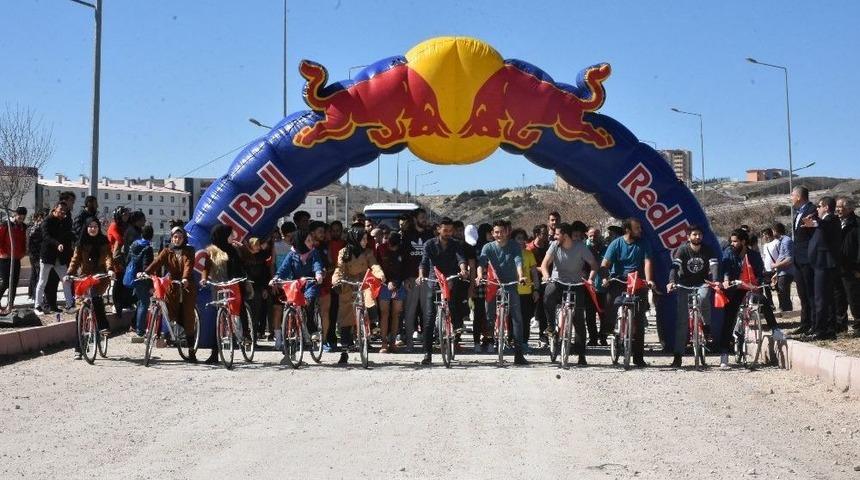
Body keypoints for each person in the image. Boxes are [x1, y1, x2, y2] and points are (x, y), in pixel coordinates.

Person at [721, 229, 783, 368]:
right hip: (735, 288)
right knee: (729, 318)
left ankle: (775, 330)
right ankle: (724, 354)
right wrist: (726, 280)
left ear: (743, 242)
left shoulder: (753, 255)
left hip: (750, 288)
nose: (732, 244)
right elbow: (725, 269)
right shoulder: (729, 253)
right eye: (731, 241)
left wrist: (763, 281)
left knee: (763, 301)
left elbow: (759, 271)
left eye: (735, 241)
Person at [541, 222, 599, 365]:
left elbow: (594, 265)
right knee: (548, 294)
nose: (555, 237)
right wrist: (546, 275)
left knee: (579, 319)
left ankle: (581, 355)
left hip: (576, 283)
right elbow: (544, 264)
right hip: (558, 281)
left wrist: (590, 279)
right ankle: (550, 325)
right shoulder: (554, 246)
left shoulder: (580, 247)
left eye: (557, 234)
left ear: (565, 236)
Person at [600, 218, 654, 368]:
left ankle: (638, 358)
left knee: (639, 319)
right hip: (619, 280)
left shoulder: (644, 243)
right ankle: (609, 326)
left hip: (637, 281)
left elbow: (648, 262)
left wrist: (649, 280)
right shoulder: (616, 244)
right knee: (611, 298)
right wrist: (605, 277)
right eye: (637, 228)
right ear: (628, 230)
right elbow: (605, 264)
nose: (640, 231)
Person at [141, 226, 198, 362]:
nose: (177, 239)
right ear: (171, 238)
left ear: (184, 238)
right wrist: (146, 272)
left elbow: (188, 265)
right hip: (172, 286)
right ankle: (162, 334)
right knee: (167, 309)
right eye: (174, 237)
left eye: (179, 237)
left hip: (186, 285)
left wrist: (184, 278)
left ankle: (191, 350)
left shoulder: (189, 250)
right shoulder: (167, 251)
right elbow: (157, 262)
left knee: (188, 316)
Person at [417, 217, 468, 365]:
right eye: (445, 230)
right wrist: (421, 276)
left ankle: (456, 329)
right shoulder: (429, 244)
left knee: (454, 306)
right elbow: (424, 262)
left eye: (450, 231)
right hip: (434, 281)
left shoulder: (456, 244)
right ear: (438, 229)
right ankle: (427, 354)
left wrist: (463, 270)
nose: (448, 233)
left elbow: (461, 259)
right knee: (429, 318)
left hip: (451, 279)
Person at [666, 224, 718, 368]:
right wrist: (671, 282)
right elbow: (675, 267)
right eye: (694, 234)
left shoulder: (708, 249)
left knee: (703, 298)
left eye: (699, 234)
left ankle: (706, 327)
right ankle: (678, 357)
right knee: (682, 322)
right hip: (684, 285)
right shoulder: (682, 250)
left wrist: (715, 281)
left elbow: (714, 266)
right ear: (688, 237)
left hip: (702, 283)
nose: (697, 237)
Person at [477, 220, 528, 365]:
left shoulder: (514, 246)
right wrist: (480, 275)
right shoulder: (487, 247)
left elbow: (518, 260)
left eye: (502, 232)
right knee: (489, 315)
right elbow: (481, 262)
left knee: (517, 317)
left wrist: (521, 275)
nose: (499, 235)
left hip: (511, 284)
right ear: (492, 233)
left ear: (507, 232)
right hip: (494, 283)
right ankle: (490, 339)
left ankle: (519, 354)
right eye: (496, 232)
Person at [331, 227, 385, 364]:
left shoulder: (368, 253)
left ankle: (373, 324)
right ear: (355, 239)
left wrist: (380, 274)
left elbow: (374, 265)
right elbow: (339, 269)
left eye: (367, 239)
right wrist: (336, 280)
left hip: (363, 281)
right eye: (364, 239)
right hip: (348, 283)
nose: (366, 241)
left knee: (369, 298)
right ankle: (344, 352)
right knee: (345, 318)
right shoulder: (343, 252)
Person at [65, 217, 113, 359]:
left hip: (100, 276)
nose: (93, 229)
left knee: (96, 298)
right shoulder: (81, 243)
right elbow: (75, 260)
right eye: (90, 226)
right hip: (84, 277)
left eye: (95, 226)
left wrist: (110, 269)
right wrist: (69, 273)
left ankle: (103, 326)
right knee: (80, 313)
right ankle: (79, 349)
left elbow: (108, 257)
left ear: (99, 228)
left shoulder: (104, 241)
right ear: (86, 228)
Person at [200, 224, 249, 364]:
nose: (233, 237)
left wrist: (242, 248)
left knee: (240, 308)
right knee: (219, 320)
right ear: (222, 236)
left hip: (235, 284)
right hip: (219, 287)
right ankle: (215, 353)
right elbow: (206, 268)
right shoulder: (212, 251)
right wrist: (204, 278)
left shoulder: (235, 249)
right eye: (230, 234)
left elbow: (249, 260)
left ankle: (246, 334)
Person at [273, 227, 325, 352]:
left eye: (311, 240)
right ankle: (292, 332)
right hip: (297, 284)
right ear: (300, 241)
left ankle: (312, 329)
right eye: (308, 240)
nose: (310, 243)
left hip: (310, 283)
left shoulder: (314, 253)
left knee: (308, 303)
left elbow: (317, 264)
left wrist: (318, 273)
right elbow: (284, 268)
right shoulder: (292, 254)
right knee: (291, 303)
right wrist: (276, 278)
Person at [802, 196, 841, 340]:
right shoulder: (824, 222)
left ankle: (821, 330)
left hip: (824, 264)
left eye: (819, 206)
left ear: (825, 207)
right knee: (825, 298)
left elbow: (824, 225)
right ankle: (828, 328)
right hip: (819, 264)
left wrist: (814, 220)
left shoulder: (830, 220)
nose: (816, 209)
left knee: (821, 298)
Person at [401, 209, 433, 351]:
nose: (424, 219)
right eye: (422, 217)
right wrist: (405, 278)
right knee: (410, 312)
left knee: (428, 313)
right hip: (412, 279)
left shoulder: (429, 235)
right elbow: (404, 259)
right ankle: (409, 343)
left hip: (427, 278)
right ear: (415, 219)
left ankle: (427, 344)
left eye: (425, 217)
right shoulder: (407, 235)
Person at [34, 202, 74, 314]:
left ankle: (70, 305)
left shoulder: (63, 222)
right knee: (42, 281)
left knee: (66, 280)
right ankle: (37, 306)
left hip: (59, 258)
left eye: (64, 211)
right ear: (55, 208)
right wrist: (57, 244)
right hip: (47, 256)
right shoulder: (47, 221)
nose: (62, 212)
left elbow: (67, 235)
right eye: (61, 209)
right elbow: (46, 237)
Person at [790, 186, 817, 336]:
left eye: (792, 195)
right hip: (798, 259)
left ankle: (814, 323)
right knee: (802, 293)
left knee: (810, 292)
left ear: (799, 196)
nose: (791, 198)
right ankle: (805, 323)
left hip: (808, 258)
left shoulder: (812, 210)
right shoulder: (798, 213)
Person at [376, 232, 406, 353]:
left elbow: (405, 268)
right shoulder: (381, 249)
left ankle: (392, 342)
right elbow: (376, 266)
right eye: (390, 245)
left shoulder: (403, 250)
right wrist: (385, 281)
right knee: (384, 313)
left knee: (396, 314)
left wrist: (396, 283)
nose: (392, 248)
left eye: (395, 246)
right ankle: (383, 343)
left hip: (399, 284)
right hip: (383, 284)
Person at [834, 197, 860, 334]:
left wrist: (858, 268)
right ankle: (840, 324)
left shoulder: (856, 224)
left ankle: (858, 325)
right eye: (837, 207)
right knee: (839, 297)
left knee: (854, 298)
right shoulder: (835, 223)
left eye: (840, 207)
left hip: (852, 268)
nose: (837, 209)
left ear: (849, 208)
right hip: (837, 267)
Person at [511, 228, 539, 348]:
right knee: (511, 318)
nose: (521, 241)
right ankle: (512, 340)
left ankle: (524, 342)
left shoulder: (528, 254)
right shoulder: (509, 253)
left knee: (525, 318)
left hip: (526, 291)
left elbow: (534, 273)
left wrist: (536, 289)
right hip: (512, 290)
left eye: (523, 239)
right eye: (518, 238)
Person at [129, 225, 156, 342]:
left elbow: (127, 260)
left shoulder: (134, 245)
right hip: (143, 279)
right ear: (152, 235)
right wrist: (151, 284)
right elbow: (147, 267)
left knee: (140, 302)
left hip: (134, 277)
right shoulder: (148, 248)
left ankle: (137, 327)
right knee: (144, 303)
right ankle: (140, 330)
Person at [244, 236, 273, 341]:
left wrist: (265, 288)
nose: (257, 246)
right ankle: (248, 337)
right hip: (248, 287)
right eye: (255, 244)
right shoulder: (246, 257)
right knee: (248, 313)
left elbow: (265, 274)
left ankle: (254, 338)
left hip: (258, 287)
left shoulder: (262, 257)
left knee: (257, 313)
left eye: (258, 244)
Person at [0, 207, 28, 313]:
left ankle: (10, 305)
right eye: (20, 217)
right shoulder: (6, 224)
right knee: (6, 282)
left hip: (16, 258)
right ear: (15, 215)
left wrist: (22, 253)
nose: (21, 219)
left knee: (14, 283)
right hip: (5, 258)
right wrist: (3, 253)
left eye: (23, 218)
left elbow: (23, 241)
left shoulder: (23, 227)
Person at [585, 226, 609, 345]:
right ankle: (593, 338)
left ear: (600, 236)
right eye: (590, 235)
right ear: (587, 235)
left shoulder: (606, 249)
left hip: (603, 287)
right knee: (590, 315)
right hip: (589, 286)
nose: (593, 237)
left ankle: (603, 337)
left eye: (595, 235)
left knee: (603, 314)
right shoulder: (584, 249)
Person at [527, 224, 550, 346]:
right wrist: (540, 269)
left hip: (545, 282)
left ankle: (543, 335)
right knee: (529, 309)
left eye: (547, 234)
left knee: (543, 309)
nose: (546, 236)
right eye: (544, 234)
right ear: (537, 234)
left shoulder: (549, 247)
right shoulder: (529, 248)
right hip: (531, 282)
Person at [107, 207, 131, 314]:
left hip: (123, 256)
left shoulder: (125, 226)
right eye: (124, 214)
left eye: (127, 214)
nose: (126, 216)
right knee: (117, 281)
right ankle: (115, 304)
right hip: (114, 257)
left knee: (124, 281)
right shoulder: (114, 226)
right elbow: (120, 239)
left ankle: (124, 303)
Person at [770, 222, 794, 313]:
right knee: (782, 291)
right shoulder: (781, 241)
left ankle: (787, 311)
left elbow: (789, 259)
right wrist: (776, 273)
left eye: (773, 231)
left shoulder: (786, 241)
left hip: (786, 272)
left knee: (784, 292)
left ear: (776, 231)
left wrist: (776, 265)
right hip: (781, 272)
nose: (772, 233)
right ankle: (786, 310)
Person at [27, 209, 47, 301]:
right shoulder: (36, 228)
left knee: (34, 274)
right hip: (36, 254)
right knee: (37, 274)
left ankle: (31, 294)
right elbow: (34, 242)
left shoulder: (31, 227)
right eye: (42, 217)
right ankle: (35, 295)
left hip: (33, 254)